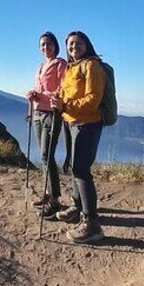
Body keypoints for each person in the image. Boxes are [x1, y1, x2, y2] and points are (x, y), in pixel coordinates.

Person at [50, 31, 106, 244]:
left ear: (87, 45)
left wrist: (65, 105)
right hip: (71, 122)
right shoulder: (71, 68)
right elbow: (68, 93)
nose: (74, 46)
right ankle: (77, 207)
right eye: (70, 44)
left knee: (81, 170)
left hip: (88, 124)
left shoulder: (92, 65)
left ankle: (92, 224)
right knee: (74, 167)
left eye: (78, 43)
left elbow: (93, 99)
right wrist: (59, 98)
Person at [25, 32, 68, 219]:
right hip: (37, 113)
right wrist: (34, 94)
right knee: (44, 157)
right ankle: (48, 193)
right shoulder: (41, 66)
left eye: (48, 44)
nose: (45, 47)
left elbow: (63, 88)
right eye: (42, 45)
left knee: (46, 155)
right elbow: (43, 88)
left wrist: (47, 97)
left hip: (52, 113)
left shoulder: (60, 64)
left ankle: (55, 199)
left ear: (55, 45)